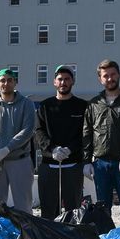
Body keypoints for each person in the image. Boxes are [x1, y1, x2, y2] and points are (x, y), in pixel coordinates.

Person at [83, 60, 120, 226]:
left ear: (119, 75)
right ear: (100, 79)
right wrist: (86, 161)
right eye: (105, 76)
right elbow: (87, 133)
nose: (110, 78)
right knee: (102, 206)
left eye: (113, 74)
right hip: (100, 164)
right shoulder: (94, 104)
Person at [0, 68, 36, 214]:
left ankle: (26, 237)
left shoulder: (26, 104)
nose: (6, 83)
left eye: (10, 80)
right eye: (2, 80)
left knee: (24, 207)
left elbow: (28, 130)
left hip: (20, 161)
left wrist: (7, 149)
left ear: (15, 83)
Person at [34, 65, 88, 219]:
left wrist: (70, 149)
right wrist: (52, 149)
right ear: (54, 82)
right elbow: (39, 131)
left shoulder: (82, 106)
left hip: (73, 166)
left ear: (73, 82)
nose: (63, 82)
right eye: (60, 79)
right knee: (49, 211)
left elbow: (84, 134)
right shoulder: (45, 106)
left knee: (74, 211)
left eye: (67, 79)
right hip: (49, 165)